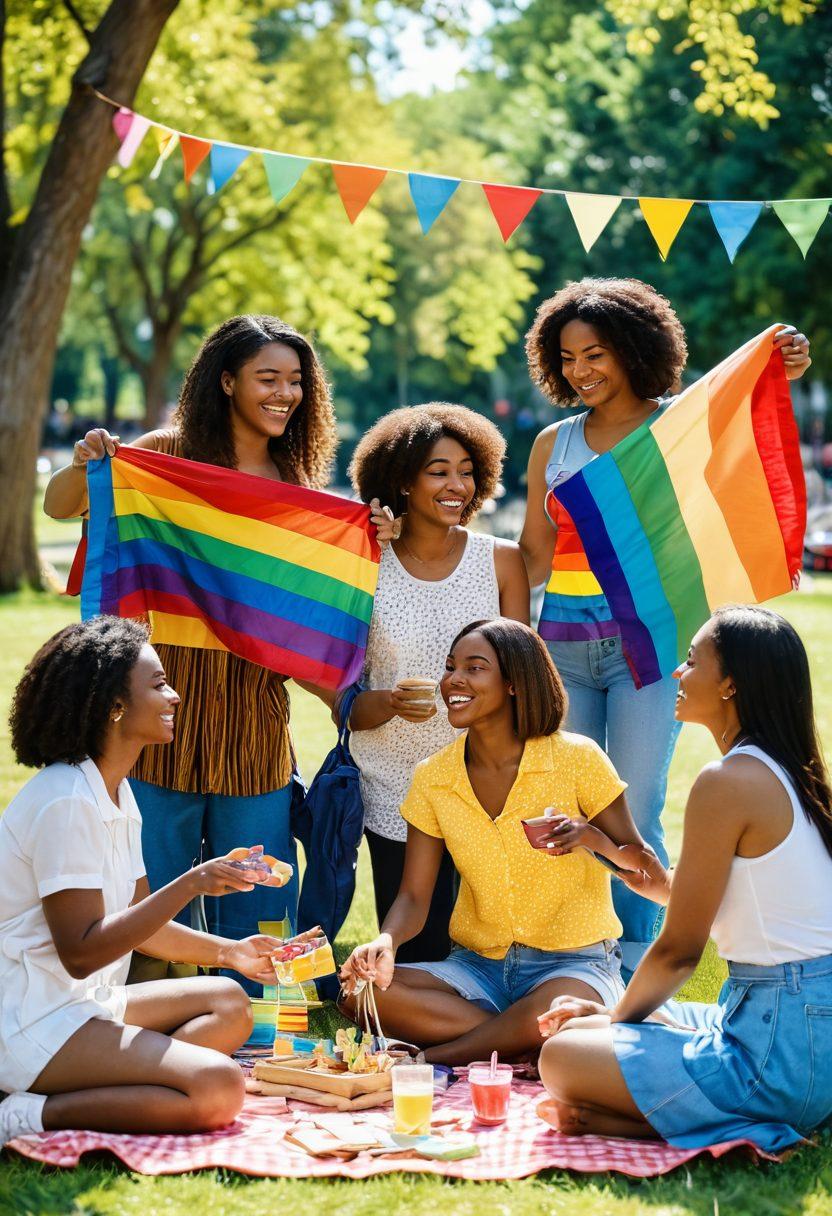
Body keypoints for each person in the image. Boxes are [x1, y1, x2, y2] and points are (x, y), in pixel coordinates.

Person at [43, 315, 389, 987]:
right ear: (226, 381)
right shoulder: (162, 456)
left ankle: (264, 1037)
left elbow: (306, 610)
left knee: (261, 899)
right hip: (155, 717)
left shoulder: (296, 483)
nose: (284, 394)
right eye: (268, 378)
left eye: (296, 381)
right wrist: (86, 461)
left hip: (252, 724)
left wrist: (370, 536)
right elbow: (63, 505)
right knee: (152, 901)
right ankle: (160, 1022)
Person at [518, 279, 812, 974]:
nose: (581, 371)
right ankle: (574, 958)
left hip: (645, 644)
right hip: (560, 640)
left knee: (633, 805)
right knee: (568, 804)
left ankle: (634, 965)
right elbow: (532, 553)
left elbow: (742, 428)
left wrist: (782, 367)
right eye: (567, 358)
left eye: (597, 354)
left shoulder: (677, 427)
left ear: (634, 350)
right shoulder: (552, 444)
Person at [537, 606, 832, 1153]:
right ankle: (628, 1112)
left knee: (561, 1055)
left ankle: (736, 1125)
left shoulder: (729, 780)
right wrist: (613, 851)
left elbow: (677, 952)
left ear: (730, 685)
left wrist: (616, 1021)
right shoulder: (789, 772)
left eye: (692, 661)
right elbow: (709, 893)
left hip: (779, 1053)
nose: (677, 672)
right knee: (582, 1033)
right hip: (795, 1033)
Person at [0, 617, 300, 1146]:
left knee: (230, 1001)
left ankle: (131, 1074)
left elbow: (142, 927)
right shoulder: (67, 799)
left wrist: (233, 952)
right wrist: (191, 883)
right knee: (219, 1089)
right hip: (32, 1020)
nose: (176, 696)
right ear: (115, 706)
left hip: (87, 1002)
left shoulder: (117, 792)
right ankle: (23, 1114)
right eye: (159, 684)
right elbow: (82, 953)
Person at [339, 618, 656, 1065]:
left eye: (474, 667)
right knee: (358, 989)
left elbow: (638, 860)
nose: (454, 680)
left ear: (513, 682)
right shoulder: (434, 777)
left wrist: (590, 837)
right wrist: (386, 942)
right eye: (451, 667)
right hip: (477, 969)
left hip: (574, 966)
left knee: (555, 1008)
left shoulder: (576, 758)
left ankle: (433, 1058)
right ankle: (524, 1037)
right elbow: (413, 895)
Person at [346, 405, 530, 962]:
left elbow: (524, 676)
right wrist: (385, 703)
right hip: (393, 782)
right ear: (402, 478)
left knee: (489, 948)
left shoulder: (501, 562)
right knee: (415, 955)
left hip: (484, 777)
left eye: (467, 470)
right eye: (438, 470)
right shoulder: (364, 565)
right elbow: (342, 697)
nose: (457, 485)